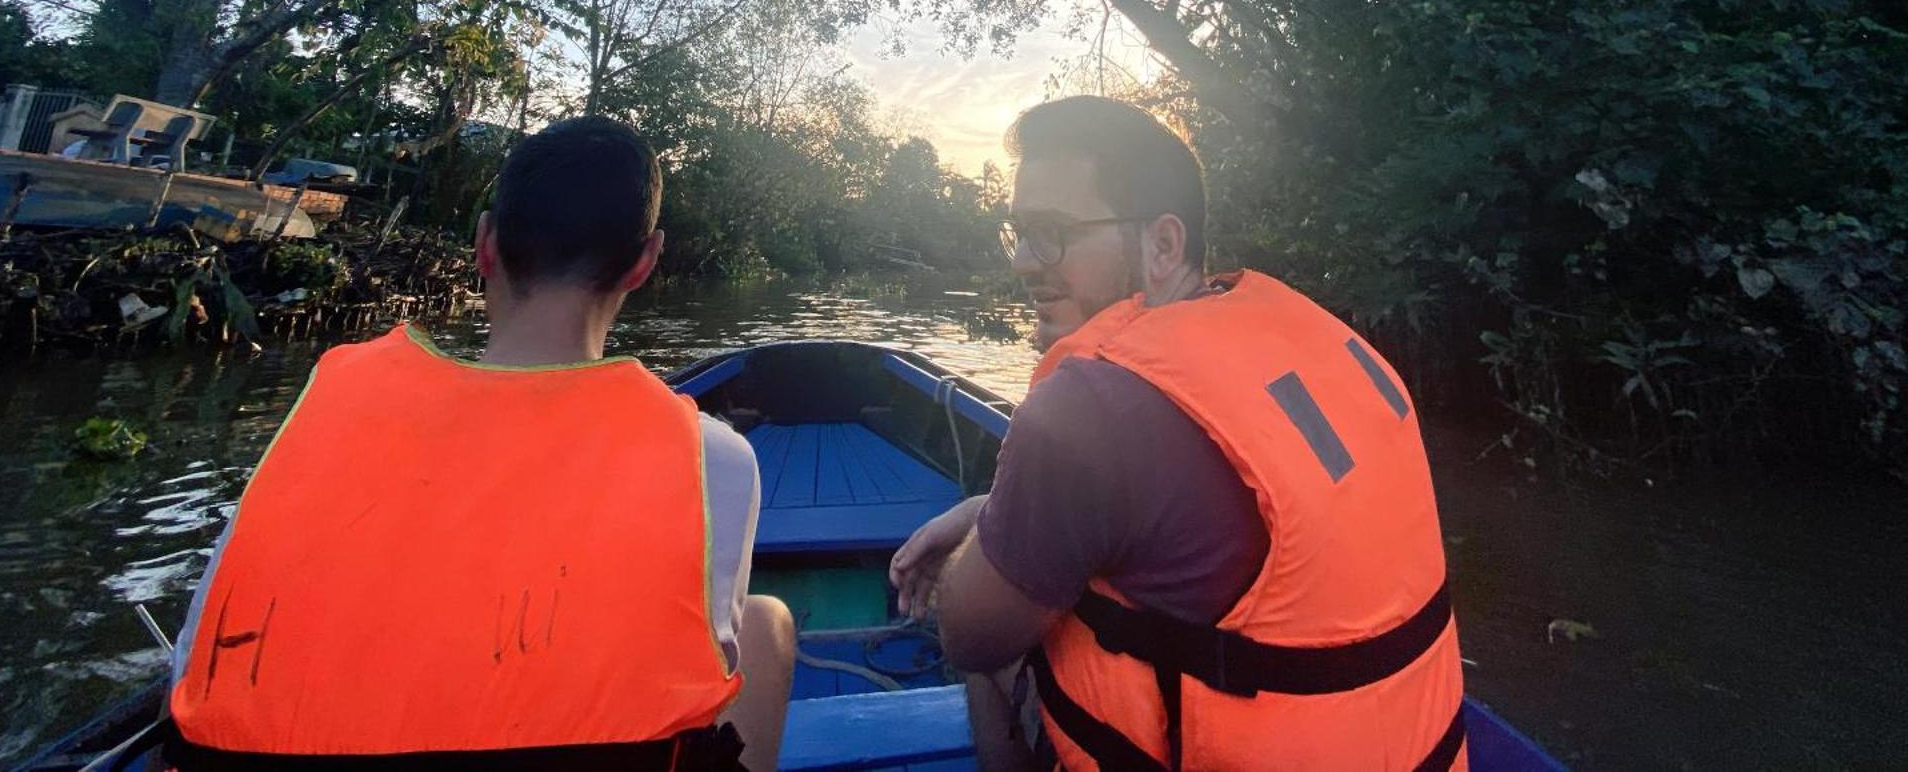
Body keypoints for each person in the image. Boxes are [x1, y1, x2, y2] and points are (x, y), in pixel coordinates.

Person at [167, 117, 795, 770]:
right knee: (763, 623)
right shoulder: (712, 457)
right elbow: (708, 673)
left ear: (485, 243)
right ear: (644, 262)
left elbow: (191, 671)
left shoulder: (313, 424)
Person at [890, 96, 1466, 771]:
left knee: (994, 653)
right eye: (1016, 232)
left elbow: (968, 635)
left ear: (1162, 244)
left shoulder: (1090, 405)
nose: (1022, 261)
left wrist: (977, 549)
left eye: (1050, 232)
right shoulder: (1326, 347)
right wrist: (989, 510)